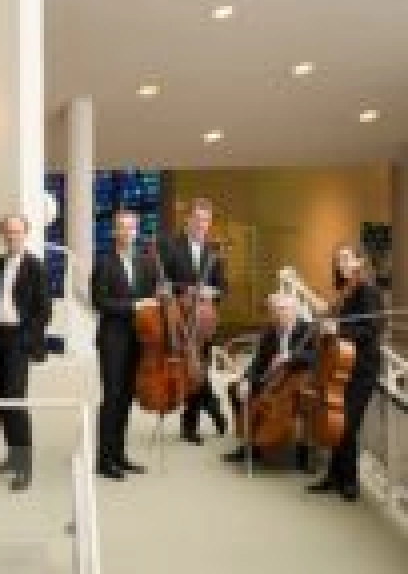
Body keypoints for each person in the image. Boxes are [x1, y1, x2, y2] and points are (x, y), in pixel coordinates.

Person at [0, 213, 51, 490]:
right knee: (1, 401)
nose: (12, 236)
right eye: (7, 232)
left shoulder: (36, 266)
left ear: (25, 234)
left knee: (15, 401)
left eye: (17, 232)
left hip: (19, 339)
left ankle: (24, 467)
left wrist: (27, 338)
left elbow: (44, 310)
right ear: (2, 235)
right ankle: (12, 456)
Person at [307, 245, 384, 502]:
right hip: (342, 365)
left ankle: (349, 481)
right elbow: (337, 325)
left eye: (345, 258)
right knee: (338, 421)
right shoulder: (344, 291)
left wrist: (338, 329)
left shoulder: (368, 290)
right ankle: (334, 476)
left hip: (362, 368)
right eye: (338, 259)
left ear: (359, 261)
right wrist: (325, 320)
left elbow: (371, 330)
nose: (340, 263)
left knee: (347, 423)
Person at [91, 209, 159, 480]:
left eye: (132, 228)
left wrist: (159, 299)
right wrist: (134, 306)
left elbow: (153, 297)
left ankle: (119, 455)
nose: (127, 232)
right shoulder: (104, 262)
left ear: (136, 231)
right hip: (112, 339)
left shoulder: (146, 262)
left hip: (140, 340)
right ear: (114, 231)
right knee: (112, 398)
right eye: (122, 227)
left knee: (127, 398)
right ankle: (104, 460)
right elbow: (99, 302)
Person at [158, 198, 228, 445]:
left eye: (206, 220)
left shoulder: (214, 251)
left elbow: (223, 287)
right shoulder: (171, 246)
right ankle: (209, 407)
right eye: (198, 219)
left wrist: (212, 292)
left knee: (199, 371)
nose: (201, 224)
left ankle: (192, 424)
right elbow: (163, 281)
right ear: (188, 219)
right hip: (179, 319)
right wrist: (181, 291)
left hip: (204, 322)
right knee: (189, 371)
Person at [222, 292, 314, 466]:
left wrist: (291, 356)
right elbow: (258, 360)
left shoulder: (308, 329)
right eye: (275, 311)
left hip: (296, 377)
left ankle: (302, 452)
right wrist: (246, 379)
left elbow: (315, 356)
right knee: (235, 389)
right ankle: (249, 443)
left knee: (290, 402)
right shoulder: (271, 330)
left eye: (283, 309)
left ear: (294, 310)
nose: (279, 315)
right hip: (272, 377)